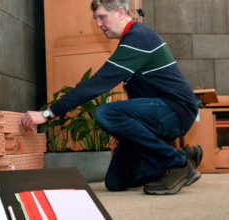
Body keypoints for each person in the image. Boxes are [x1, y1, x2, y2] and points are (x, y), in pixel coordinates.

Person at [21, 0, 203, 195]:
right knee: (116, 181)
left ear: (120, 12)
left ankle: (179, 164)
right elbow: (141, 96)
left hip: (176, 111)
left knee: (105, 113)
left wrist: (47, 114)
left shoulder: (138, 37)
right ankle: (181, 157)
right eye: (96, 19)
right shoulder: (131, 40)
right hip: (158, 113)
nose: (98, 24)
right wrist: (125, 132)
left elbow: (96, 84)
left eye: (102, 17)